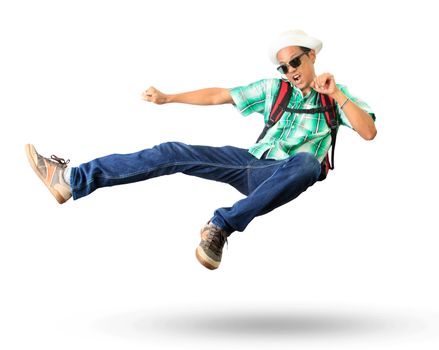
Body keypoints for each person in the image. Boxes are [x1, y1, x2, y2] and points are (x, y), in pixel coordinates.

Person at [26, 29, 376, 270]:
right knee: (173, 151)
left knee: (307, 164)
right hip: (250, 162)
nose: (290, 71)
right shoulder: (275, 88)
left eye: (295, 63)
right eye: (284, 67)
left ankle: (220, 228)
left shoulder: (336, 98)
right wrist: (169, 98)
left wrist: (336, 94)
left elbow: (369, 131)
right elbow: (220, 95)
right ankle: (72, 180)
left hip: (288, 172)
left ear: (311, 56)